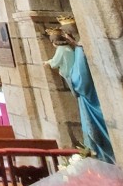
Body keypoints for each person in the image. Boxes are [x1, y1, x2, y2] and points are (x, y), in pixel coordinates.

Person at [46, 26, 115, 164]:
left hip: (90, 96)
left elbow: (81, 79)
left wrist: (72, 79)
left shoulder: (79, 51)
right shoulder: (75, 50)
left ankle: (103, 156)